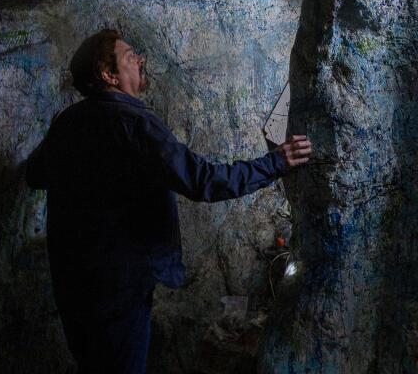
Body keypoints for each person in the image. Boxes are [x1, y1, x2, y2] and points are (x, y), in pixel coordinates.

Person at [25, 28, 312, 374]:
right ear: (108, 74)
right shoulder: (135, 125)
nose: (141, 59)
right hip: (120, 291)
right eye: (131, 56)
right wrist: (275, 163)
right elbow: (202, 181)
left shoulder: (67, 124)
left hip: (74, 284)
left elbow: (35, 175)